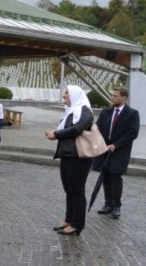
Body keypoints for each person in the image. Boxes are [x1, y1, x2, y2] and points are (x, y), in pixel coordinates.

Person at [45, 85, 94, 236]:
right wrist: (55, 134)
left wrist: (57, 134)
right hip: (68, 155)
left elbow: (77, 129)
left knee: (77, 191)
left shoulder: (84, 110)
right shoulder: (71, 112)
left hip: (78, 157)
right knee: (69, 190)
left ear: (75, 95)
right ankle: (69, 219)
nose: (64, 96)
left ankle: (77, 224)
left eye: (67, 93)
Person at [93, 87, 140, 219]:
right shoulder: (106, 111)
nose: (112, 98)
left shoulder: (132, 113)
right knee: (105, 176)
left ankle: (116, 206)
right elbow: (99, 127)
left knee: (115, 177)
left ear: (124, 98)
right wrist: (101, 142)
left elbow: (133, 132)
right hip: (105, 149)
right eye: (112, 95)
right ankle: (108, 204)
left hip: (120, 151)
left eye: (115, 96)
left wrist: (116, 145)